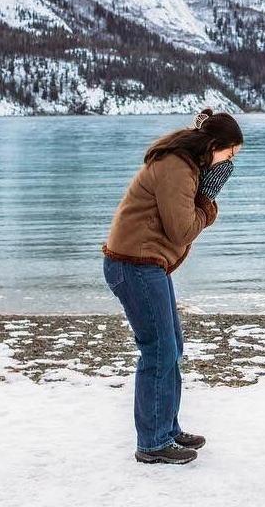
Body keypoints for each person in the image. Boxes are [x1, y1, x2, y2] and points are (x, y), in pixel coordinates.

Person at [102, 108, 243, 465]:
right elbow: (181, 230)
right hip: (134, 265)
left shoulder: (185, 165)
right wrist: (207, 203)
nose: (230, 164)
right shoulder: (177, 169)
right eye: (229, 155)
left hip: (144, 263)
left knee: (171, 347)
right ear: (213, 146)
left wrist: (202, 195)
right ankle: (152, 442)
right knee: (159, 350)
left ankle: (166, 427)